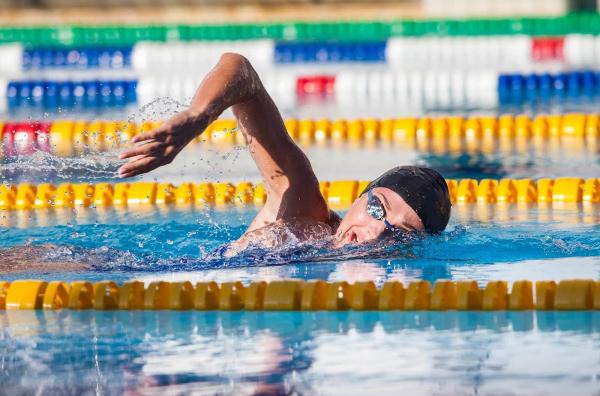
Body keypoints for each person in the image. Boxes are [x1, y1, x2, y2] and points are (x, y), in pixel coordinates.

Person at [118, 53, 451, 253]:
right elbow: (240, 71)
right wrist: (199, 115)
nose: (377, 231)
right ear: (359, 199)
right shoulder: (304, 211)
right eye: (379, 209)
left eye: (400, 233)